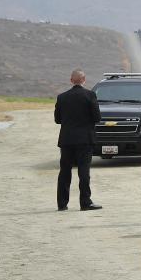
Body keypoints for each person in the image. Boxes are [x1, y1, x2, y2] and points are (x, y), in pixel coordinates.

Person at [54, 69, 101, 212]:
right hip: (85, 140)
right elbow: (97, 118)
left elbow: (57, 120)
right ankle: (85, 202)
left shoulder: (62, 97)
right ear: (84, 79)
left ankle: (62, 203)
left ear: (71, 80)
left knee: (65, 171)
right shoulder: (90, 95)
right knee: (83, 172)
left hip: (67, 139)